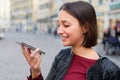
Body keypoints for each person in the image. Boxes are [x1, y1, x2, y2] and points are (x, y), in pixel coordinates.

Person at [20, 1, 120, 80]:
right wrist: (35, 71)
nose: (59, 31)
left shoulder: (109, 70)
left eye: (66, 25)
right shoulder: (62, 56)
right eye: (58, 25)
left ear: (85, 28)